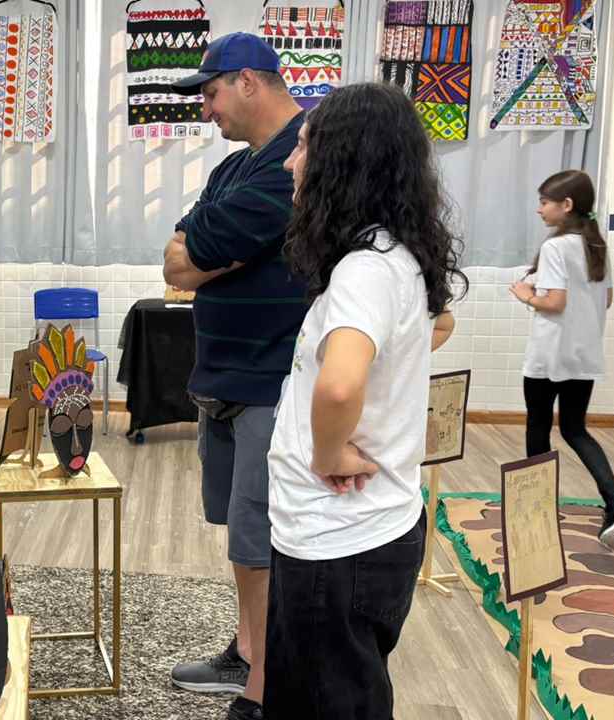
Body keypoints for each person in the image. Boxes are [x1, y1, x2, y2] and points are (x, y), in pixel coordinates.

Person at [263, 82, 465, 719]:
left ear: (342, 162)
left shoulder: (365, 269)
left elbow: (341, 383)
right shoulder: (392, 258)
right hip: (356, 537)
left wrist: (329, 451)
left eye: (302, 147)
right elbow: (438, 326)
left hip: (339, 541)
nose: (292, 162)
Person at [161, 32, 307, 720]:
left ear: (249, 81)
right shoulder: (233, 169)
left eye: (212, 93)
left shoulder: (300, 162)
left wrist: (204, 253)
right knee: (239, 536)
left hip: (270, 382)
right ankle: (248, 649)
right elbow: (176, 259)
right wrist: (211, 253)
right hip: (221, 378)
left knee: (262, 536)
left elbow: (196, 253)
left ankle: (267, 684)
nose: (206, 110)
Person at [508, 170, 614, 546]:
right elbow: (607, 299)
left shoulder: (556, 247)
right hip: (584, 356)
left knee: (538, 428)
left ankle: (537, 509)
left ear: (566, 205)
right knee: (575, 429)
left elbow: (554, 301)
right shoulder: (597, 245)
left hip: (548, 357)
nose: (539, 210)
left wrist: (523, 293)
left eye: (544, 202)